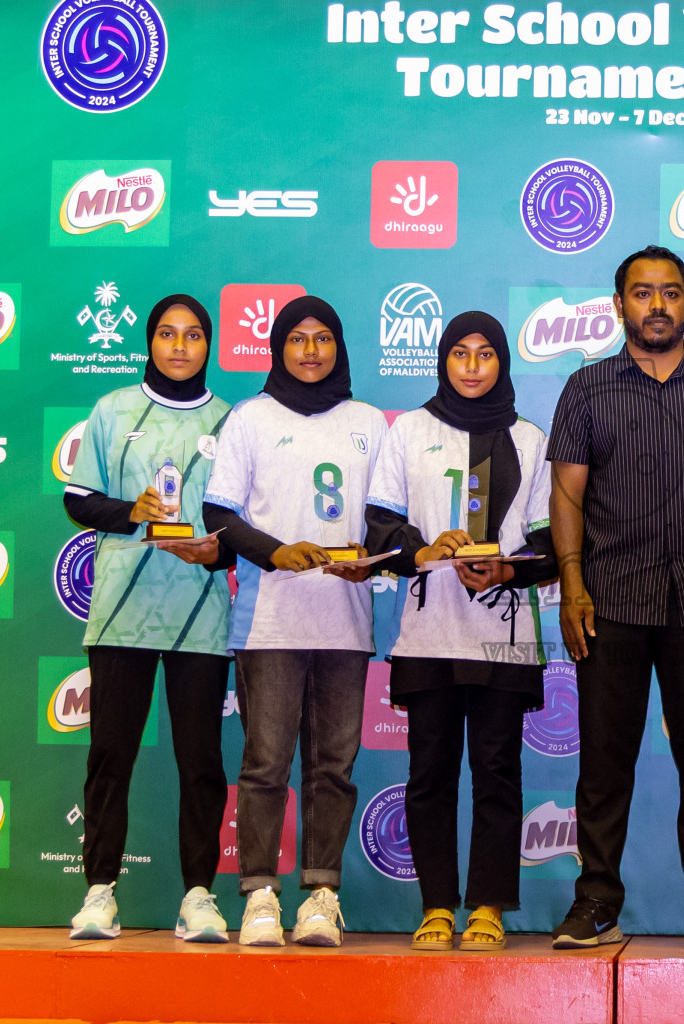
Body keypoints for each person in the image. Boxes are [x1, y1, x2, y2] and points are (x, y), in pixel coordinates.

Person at [546, 244, 684, 953]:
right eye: (642, 293)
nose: (657, 305)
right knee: (603, 764)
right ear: (620, 305)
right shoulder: (586, 388)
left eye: (670, 292)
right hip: (610, 601)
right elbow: (566, 494)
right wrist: (573, 586)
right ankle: (595, 901)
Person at [364, 311, 558, 951]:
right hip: (426, 633)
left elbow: (550, 543)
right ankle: (437, 906)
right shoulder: (408, 432)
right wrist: (425, 549)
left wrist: (507, 567)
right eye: (459, 354)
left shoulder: (529, 439)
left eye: (485, 354)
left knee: (498, 769)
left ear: (502, 362)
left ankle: (489, 907)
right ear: (442, 360)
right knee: (430, 772)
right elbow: (380, 528)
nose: (472, 366)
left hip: (502, 635)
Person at [202, 296, 389, 947]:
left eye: (323, 340)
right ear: (278, 347)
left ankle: (320, 895)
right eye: (297, 340)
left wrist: (374, 559)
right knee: (265, 765)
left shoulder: (368, 420)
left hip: (344, 623)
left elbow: (387, 517)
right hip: (268, 625)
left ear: (339, 347)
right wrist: (275, 552)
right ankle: (258, 895)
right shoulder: (249, 418)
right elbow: (218, 515)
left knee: (333, 767)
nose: (311, 351)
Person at [64, 295, 234, 942]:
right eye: (167, 333)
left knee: (201, 760)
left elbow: (231, 522)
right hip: (122, 612)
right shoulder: (113, 411)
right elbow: (78, 500)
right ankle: (100, 892)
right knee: (111, 754)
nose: (180, 346)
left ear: (208, 345)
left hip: (199, 610)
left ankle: (198, 897)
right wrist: (131, 512)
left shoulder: (228, 419)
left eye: (193, 335)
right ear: (150, 341)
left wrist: (217, 552)